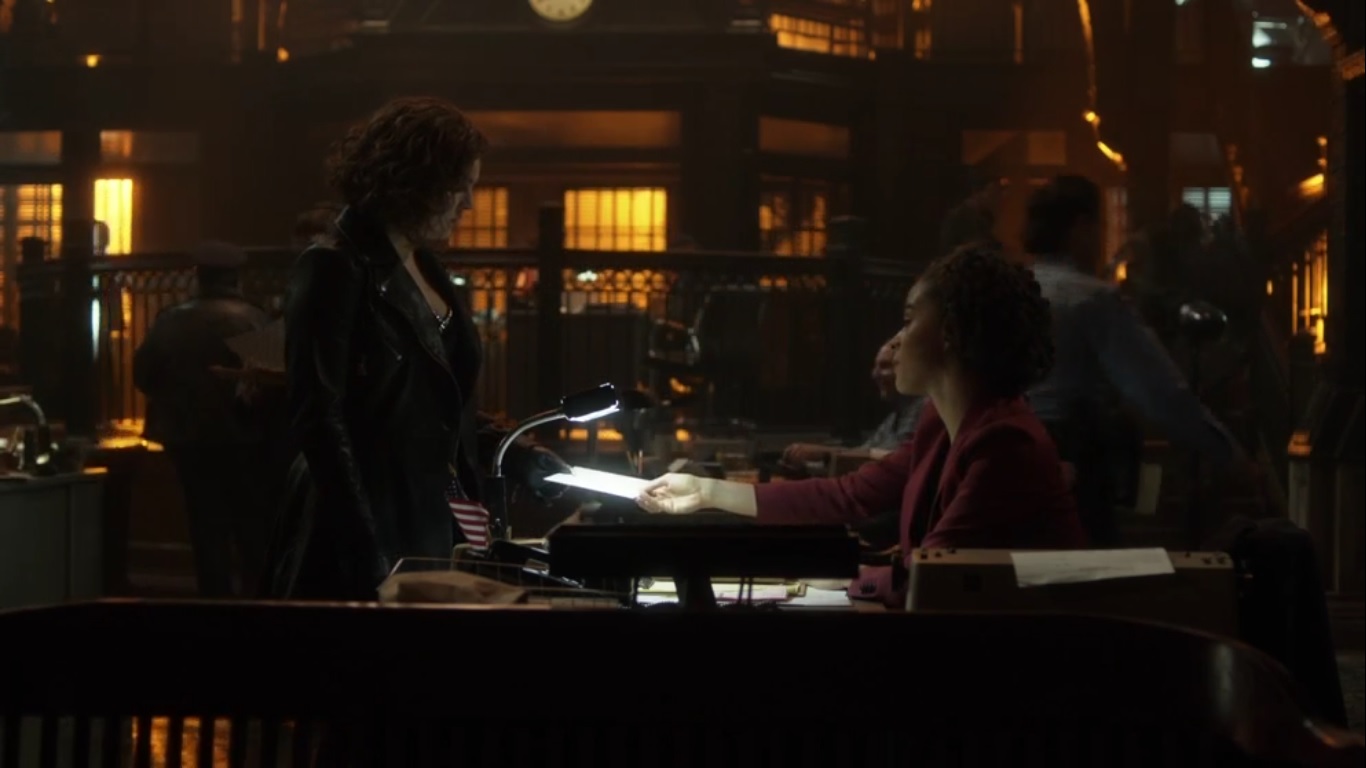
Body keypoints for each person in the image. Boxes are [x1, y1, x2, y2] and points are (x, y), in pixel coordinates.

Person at [638, 243, 1084, 606]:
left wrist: (845, 576)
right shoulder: (942, 423)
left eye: (908, 320)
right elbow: (849, 495)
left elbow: (929, 578)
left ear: (951, 331)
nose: (895, 340)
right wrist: (706, 492)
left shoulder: (1005, 442)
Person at [265, 97, 568, 601]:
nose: (468, 205)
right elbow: (320, 420)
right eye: (459, 188)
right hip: (366, 519)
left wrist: (513, 453)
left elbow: (437, 404)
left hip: (432, 511)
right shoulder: (335, 267)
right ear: (413, 181)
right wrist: (368, 552)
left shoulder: (425, 265)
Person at [1023, 175, 1242, 545]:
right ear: (1081, 227)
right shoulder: (1092, 299)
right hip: (1072, 453)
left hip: (1006, 452)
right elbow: (1157, 390)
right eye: (1100, 227)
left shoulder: (1012, 285)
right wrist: (1226, 452)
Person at [133, 241, 274, 597]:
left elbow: (143, 375)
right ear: (236, 278)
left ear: (199, 276)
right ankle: (259, 601)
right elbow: (275, 384)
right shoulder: (254, 319)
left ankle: (214, 601)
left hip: (188, 438)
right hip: (245, 437)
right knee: (250, 524)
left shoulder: (171, 320)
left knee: (204, 524)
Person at [781, 333, 924, 467]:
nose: (874, 374)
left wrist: (823, 453)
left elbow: (892, 458)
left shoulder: (922, 408)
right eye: (875, 367)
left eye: (885, 366)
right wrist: (816, 456)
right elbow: (864, 452)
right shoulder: (895, 416)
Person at [939, 172, 1005, 256]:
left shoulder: (987, 217)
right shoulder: (958, 216)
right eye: (993, 193)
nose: (996, 198)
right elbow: (948, 250)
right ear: (978, 193)